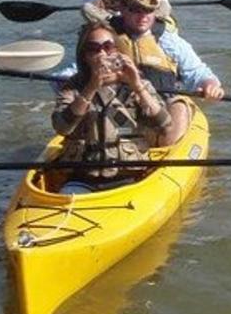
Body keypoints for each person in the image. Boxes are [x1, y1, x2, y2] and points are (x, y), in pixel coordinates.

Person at [100, 0, 225, 144]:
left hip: (161, 109)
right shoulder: (104, 37)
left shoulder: (168, 40)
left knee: (179, 107)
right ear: (121, 8)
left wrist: (210, 85)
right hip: (118, 106)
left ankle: (163, 148)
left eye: (148, 10)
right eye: (136, 9)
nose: (143, 16)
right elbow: (76, 70)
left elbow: (197, 72)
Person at [51, 23, 175, 192]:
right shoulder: (73, 87)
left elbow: (164, 126)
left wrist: (137, 86)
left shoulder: (137, 85)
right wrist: (91, 87)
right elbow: (62, 127)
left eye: (108, 47)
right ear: (85, 56)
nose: (102, 54)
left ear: (118, 51)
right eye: (93, 48)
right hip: (83, 177)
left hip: (129, 177)